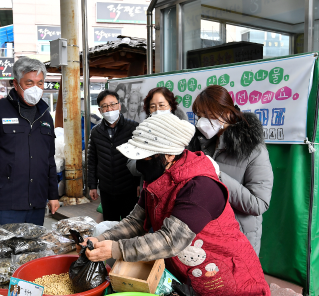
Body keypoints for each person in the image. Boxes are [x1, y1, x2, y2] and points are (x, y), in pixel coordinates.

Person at [80, 113, 270, 296]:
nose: (139, 163)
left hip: (229, 280)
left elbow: (170, 240)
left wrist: (116, 249)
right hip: (189, 277)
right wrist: (103, 238)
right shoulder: (156, 179)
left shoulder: (200, 186)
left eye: (145, 157)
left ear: (170, 155)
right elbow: (136, 221)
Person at [187, 85, 273, 255]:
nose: (202, 122)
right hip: (207, 234)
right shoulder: (200, 143)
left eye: (209, 116)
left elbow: (258, 204)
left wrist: (218, 174)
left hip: (238, 237)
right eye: (199, 116)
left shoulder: (254, 150)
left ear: (227, 113)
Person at [0, 57, 59, 226]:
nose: (36, 88)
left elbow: (49, 159)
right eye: (29, 83)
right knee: (4, 252)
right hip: (5, 204)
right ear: (16, 83)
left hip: (36, 204)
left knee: (32, 252)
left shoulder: (46, 116)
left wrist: (53, 195)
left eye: (40, 83)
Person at [87, 90, 139, 221]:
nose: (109, 109)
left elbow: (140, 158)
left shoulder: (133, 128)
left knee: (130, 225)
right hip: (106, 189)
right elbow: (92, 160)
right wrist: (92, 185)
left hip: (129, 188)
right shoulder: (96, 132)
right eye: (105, 106)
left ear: (119, 106)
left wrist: (139, 184)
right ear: (100, 110)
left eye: (113, 104)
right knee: (110, 224)